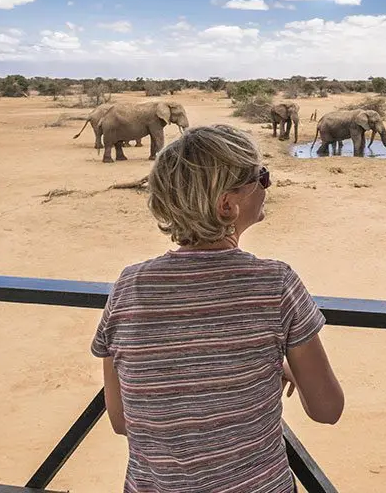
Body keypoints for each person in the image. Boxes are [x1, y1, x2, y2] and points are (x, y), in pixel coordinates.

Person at [91, 124, 344, 493]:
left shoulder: (129, 286)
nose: (267, 185)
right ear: (228, 204)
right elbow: (327, 410)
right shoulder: (275, 283)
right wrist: (281, 368)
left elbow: (120, 419)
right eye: (262, 177)